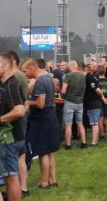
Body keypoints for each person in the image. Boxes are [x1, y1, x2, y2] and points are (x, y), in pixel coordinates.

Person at [21, 58, 60, 190]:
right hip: (50, 116)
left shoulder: (40, 81)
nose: (24, 74)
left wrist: (27, 102)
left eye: (25, 71)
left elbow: (40, 104)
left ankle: (44, 183)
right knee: (50, 152)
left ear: (32, 68)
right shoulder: (48, 77)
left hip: (43, 119)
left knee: (43, 152)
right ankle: (52, 180)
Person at [0, 52, 26, 201]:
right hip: (12, 136)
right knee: (10, 177)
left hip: (9, 138)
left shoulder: (10, 85)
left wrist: (1, 119)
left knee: (11, 178)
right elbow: (25, 103)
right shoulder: (7, 84)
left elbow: (20, 110)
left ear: (5, 66)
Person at [6, 51, 29, 196]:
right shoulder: (20, 76)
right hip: (20, 115)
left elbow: (20, 102)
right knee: (20, 155)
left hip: (15, 118)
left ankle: (20, 188)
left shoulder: (15, 78)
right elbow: (25, 101)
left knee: (16, 158)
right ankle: (23, 188)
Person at [60, 61, 87, 149]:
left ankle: (68, 145)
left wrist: (63, 95)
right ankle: (83, 143)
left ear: (71, 67)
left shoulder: (68, 76)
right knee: (80, 123)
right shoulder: (83, 76)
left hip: (69, 102)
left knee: (68, 125)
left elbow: (63, 90)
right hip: (80, 102)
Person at [84, 62, 107, 146]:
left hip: (93, 102)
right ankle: (93, 141)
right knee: (94, 122)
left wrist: (103, 97)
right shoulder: (94, 76)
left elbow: (97, 89)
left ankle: (94, 142)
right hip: (93, 102)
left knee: (94, 123)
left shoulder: (90, 77)